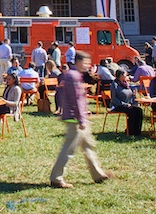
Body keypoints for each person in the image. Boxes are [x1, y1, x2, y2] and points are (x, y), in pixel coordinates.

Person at [49, 50, 113, 188]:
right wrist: (81, 119)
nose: (87, 66)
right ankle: (56, 177)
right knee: (69, 149)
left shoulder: (74, 75)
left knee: (88, 146)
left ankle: (98, 174)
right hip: (75, 119)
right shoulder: (73, 77)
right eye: (85, 63)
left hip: (78, 117)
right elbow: (75, 100)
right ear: (78, 62)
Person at [109, 69, 143, 137]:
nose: (127, 76)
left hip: (127, 105)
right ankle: (130, 131)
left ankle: (137, 131)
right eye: (125, 75)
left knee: (139, 110)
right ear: (121, 75)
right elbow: (114, 98)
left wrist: (133, 94)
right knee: (132, 112)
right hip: (118, 105)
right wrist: (124, 104)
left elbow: (129, 95)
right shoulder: (115, 84)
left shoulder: (126, 84)